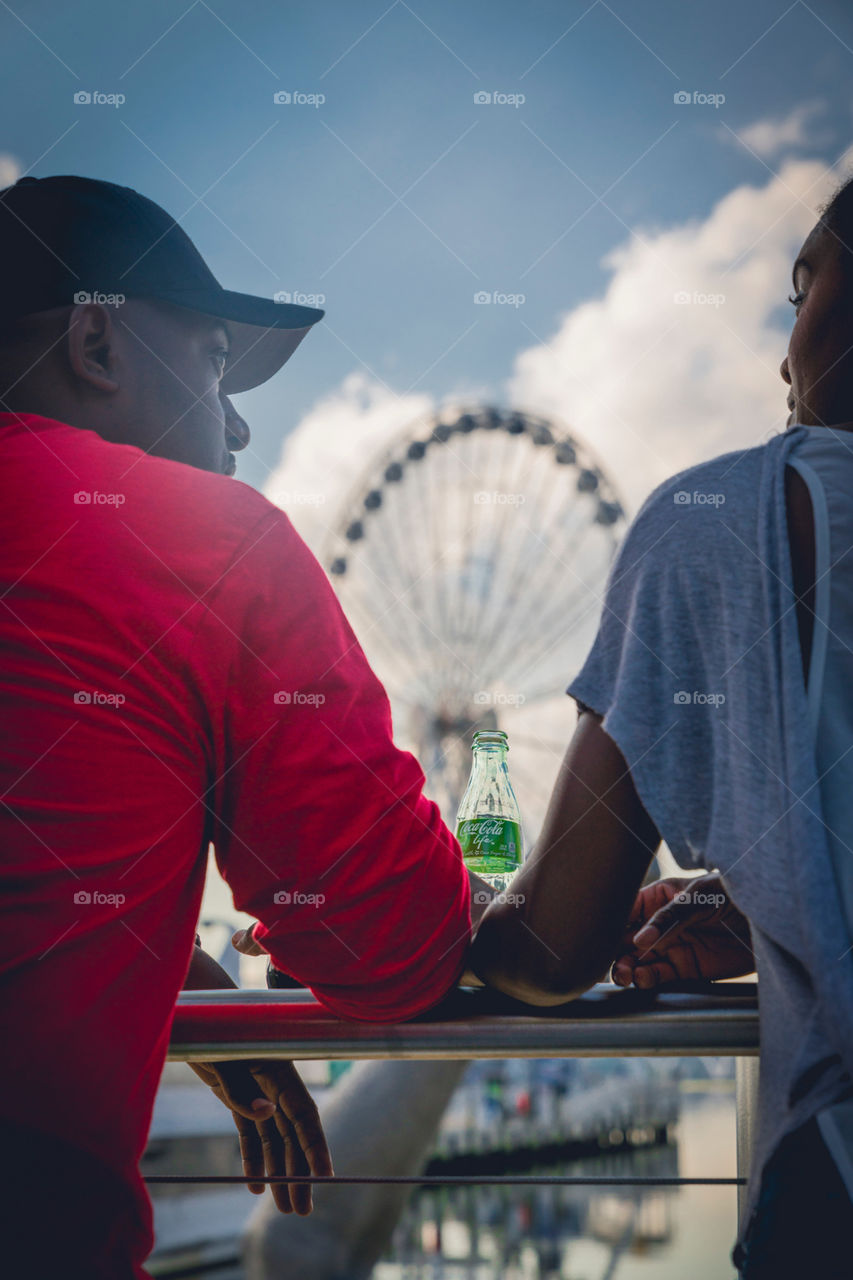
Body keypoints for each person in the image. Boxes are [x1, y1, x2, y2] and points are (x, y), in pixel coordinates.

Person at [0, 174, 482, 1279]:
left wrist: (186, 974)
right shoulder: (202, 543)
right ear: (96, 342)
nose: (236, 419)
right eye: (214, 357)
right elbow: (390, 951)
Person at [466, 174, 853, 1278]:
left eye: (799, 285)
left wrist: (426, 913)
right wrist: (772, 892)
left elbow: (551, 947)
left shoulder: (720, 520)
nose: (783, 357)